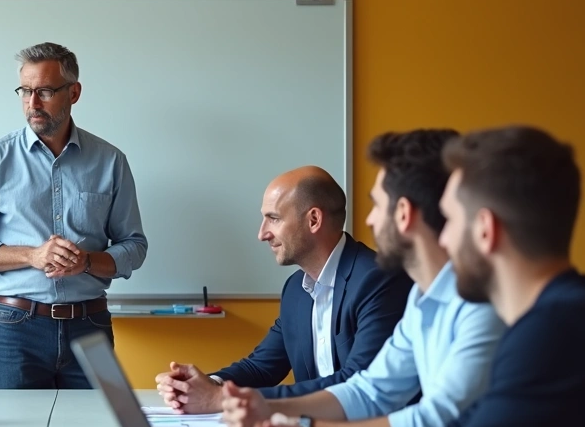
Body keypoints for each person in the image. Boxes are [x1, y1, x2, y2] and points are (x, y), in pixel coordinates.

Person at [247, 126, 585, 427]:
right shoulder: (553, 319)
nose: (440, 237)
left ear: (485, 230)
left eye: (450, 220)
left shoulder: (559, 331)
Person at [221, 130, 505, 427]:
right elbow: (369, 390)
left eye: (376, 205)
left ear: (403, 214)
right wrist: (268, 410)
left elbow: (436, 424)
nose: (369, 220)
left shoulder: (480, 304)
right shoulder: (421, 297)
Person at [0, 42, 149, 389]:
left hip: (91, 325)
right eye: (25, 91)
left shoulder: (110, 161)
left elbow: (134, 247)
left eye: (44, 91)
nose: (32, 103)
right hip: (16, 327)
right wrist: (33, 255)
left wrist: (85, 261)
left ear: (74, 92)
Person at [156, 166, 411, 413]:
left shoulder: (378, 279)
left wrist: (222, 399)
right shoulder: (296, 290)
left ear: (313, 220)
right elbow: (262, 367)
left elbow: (356, 384)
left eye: (273, 218)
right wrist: (208, 384)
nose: (262, 234)